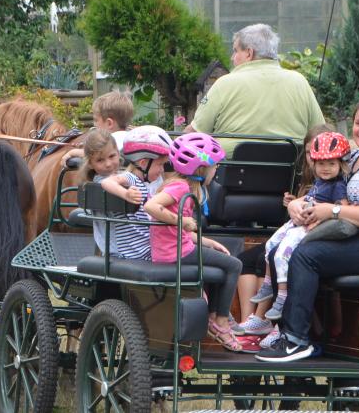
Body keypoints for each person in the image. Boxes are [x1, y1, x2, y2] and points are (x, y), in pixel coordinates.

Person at [255, 96, 359, 363]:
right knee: (286, 247)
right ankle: (290, 329)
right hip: (357, 232)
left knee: (307, 256)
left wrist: (331, 211)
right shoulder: (355, 155)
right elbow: (323, 185)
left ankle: (296, 340)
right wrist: (297, 203)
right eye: (358, 123)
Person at [144, 133, 244, 352]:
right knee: (234, 265)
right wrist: (181, 220)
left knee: (224, 261)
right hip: (175, 254)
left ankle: (214, 316)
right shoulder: (179, 188)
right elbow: (151, 207)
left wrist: (208, 243)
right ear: (200, 168)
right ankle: (221, 321)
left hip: (179, 248)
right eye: (214, 166)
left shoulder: (185, 187)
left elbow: (180, 231)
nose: (216, 171)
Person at [234, 124, 335, 336]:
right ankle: (248, 321)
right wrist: (290, 204)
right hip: (295, 231)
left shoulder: (330, 178)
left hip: (312, 236)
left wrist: (299, 205)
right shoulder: (308, 177)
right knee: (244, 259)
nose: (313, 157)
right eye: (308, 152)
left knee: (267, 256)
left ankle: (264, 320)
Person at [254, 131, 350, 322]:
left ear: (341, 164)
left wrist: (321, 219)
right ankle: (266, 284)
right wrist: (296, 203)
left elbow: (342, 207)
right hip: (302, 219)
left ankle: (282, 296)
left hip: (311, 225)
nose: (326, 168)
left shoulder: (337, 185)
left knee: (282, 253)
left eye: (332, 164)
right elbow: (310, 198)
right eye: (321, 163)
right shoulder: (320, 182)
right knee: (270, 244)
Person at [185, 23, 324, 155]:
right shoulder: (299, 82)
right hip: (290, 176)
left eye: (235, 51)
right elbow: (320, 132)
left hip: (229, 174)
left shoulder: (224, 84)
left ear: (249, 53)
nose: (232, 58)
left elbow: (195, 133)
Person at [99, 126, 173, 260]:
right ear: (143, 163)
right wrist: (125, 194)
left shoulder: (145, 185)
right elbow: (107, 182)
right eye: (160, 164)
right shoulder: (131, 179)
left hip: (147, 249)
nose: (162, 170)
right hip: (139, 253)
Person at [78, 129, 123, 255]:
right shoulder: (99, 183)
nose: (108, 164)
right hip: (115, 249)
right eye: (100, 160)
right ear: (90, 164)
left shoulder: (121, 176)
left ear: (118, 153)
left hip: (125, 246)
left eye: (112, 156)